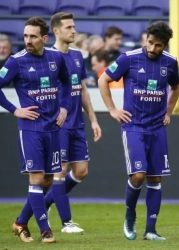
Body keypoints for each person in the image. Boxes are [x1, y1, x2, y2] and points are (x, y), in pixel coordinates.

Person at [0, 17, 71, 243]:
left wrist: (64, 106)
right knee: (36, 177)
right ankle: (46, 231)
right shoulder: (16, 61)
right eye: (25, 36)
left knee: (47, 181)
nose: (28, 40)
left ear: (45, 38)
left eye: (33, 36)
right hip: (30, 129)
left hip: (53, 128)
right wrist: (15, 110)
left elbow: (67, 82)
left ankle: (21, 222)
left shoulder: (56, 58)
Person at [98, 21, 179, 240]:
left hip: (157, 127)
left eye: (158, 45)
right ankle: (129, 215)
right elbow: (103, 79)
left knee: (155, 179)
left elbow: (176, 86)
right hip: (133, 126)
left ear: (165, 45)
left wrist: (169, 112)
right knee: (139, 175)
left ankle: (150, 230)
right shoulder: (129, 58)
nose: (152, 49)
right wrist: (113, 109)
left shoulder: (171, 63)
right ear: (146, 39)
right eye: (150, 43)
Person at [43, 12, 102, 233]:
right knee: (60, 171)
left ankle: (46, 202)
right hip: (58, 125)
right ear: (56, 31)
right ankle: (66, 222)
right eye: (68, 27)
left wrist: (94, 120)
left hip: (78, 123)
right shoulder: (48, 58)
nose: (73, 30)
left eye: (74, 26)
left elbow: (82, 90)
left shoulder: (77, 56)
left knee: (81, 171)